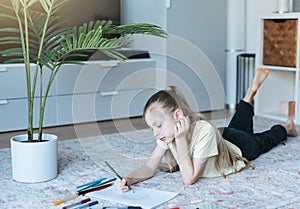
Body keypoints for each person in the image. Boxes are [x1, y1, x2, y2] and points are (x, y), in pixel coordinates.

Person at [115, 68, 298, 192]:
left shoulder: (200, 132)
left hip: (239, 147)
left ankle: (286, 127)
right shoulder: (167, 134)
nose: (155, 133)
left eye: (158, 125)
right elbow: (149, 166)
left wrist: (179, 140)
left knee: (263, 141)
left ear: (178, 116)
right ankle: (249, 96)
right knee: (236, 126)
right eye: (152, 128)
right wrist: (128, 179)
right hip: (222, 136)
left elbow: (189, 178)